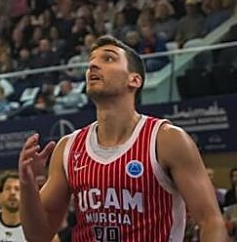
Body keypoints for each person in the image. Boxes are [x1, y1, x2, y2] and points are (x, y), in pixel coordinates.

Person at [17, 35, 226, 242]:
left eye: (107, 59)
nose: (93, 65)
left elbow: (211, 222)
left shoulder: (167, 140)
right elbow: (38, 236)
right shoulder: (68, 147)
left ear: (134, 79)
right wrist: (27, 184)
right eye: (92, 60)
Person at [0, 172, 55, 242]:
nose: (12, 193)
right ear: (0, 195)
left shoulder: (41, 228)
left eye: (17, 189)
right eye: (8, 188)